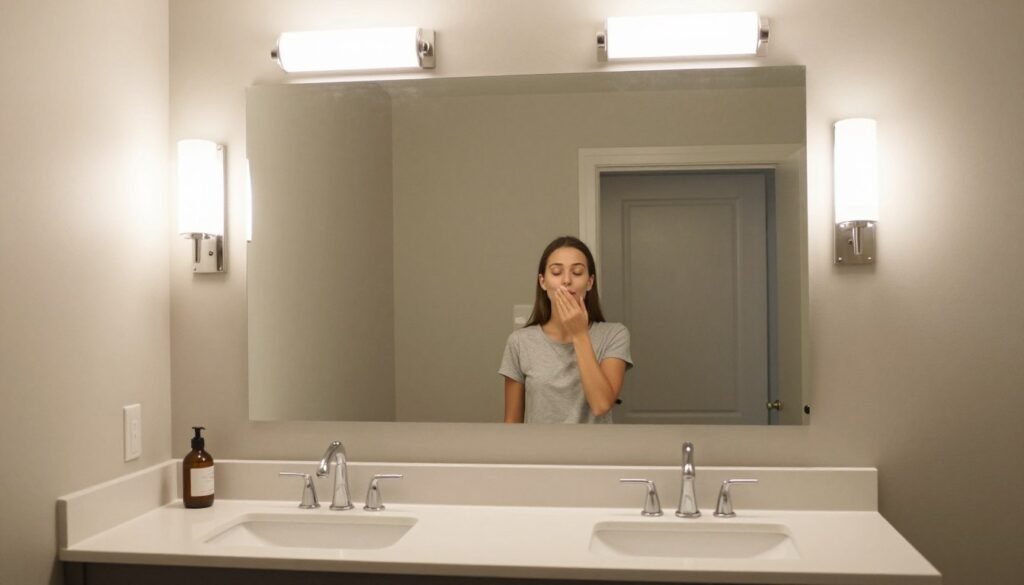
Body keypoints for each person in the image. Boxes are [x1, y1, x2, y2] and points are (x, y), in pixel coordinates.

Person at [499, 236, 633, 423]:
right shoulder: (519, 342)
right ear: (543, 282)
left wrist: (579, 334)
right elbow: (511, 423)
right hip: (539, 451)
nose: (567, 280)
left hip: (594, 451)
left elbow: (601, 405)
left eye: (577, 272)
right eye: (556, 272)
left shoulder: (614, 335)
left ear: (590, 282)